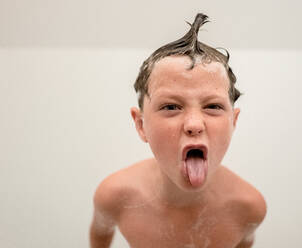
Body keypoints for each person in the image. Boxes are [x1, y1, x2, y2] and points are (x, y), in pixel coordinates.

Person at [89, 13, 267, 248]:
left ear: (233, 122)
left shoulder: (248, 207)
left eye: (213, 106)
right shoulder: (115, 197)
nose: (194, 124)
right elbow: (100, 236)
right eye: (171, 106)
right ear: (141, 125)